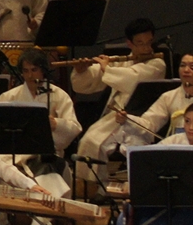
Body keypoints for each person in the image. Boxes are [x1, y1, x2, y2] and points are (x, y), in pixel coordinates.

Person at [96, 105, 193, 225]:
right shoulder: (172, 143)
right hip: (163, 206)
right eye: (187, 121)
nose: (190, 127)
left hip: (188, 214)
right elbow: (146, 169)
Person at [0, 48, 82, 225]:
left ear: (42, 70)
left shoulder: (58, 95)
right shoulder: (11, 96)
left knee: (47, 170)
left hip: (46, 154)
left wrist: (56, 124)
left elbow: (74, 127)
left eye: (34, 70)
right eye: (25, 71)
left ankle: (40, 220)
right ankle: (0, 221)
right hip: (14, 154)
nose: (29, 75)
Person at [71, 18, 167, 164]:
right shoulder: (123, 61)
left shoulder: (158, 64)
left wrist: (107, 69)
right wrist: (82, 70)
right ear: (130, 43)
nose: (147, 48)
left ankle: (96, 182)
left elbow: (134, 78)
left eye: (149, 42)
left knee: (92, 141)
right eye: (140, 43)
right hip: (114, 117)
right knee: (88, 140)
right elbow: (91, 80)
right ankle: (91, 184)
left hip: (136, 118)